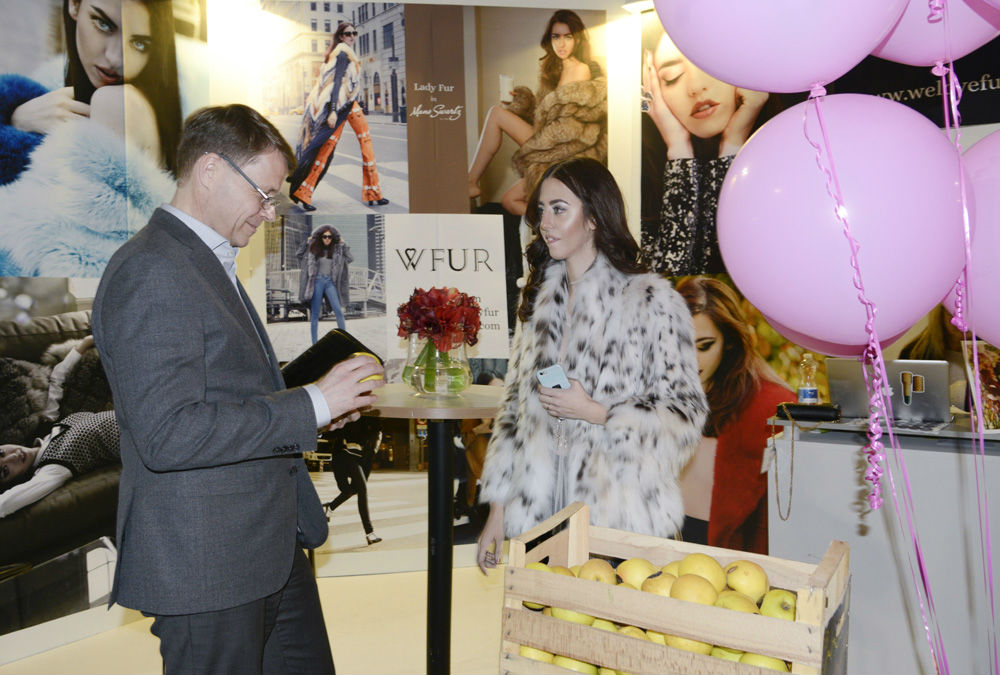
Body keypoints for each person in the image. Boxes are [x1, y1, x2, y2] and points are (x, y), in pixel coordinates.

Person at [91, 104, 384, 674]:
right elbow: (168, 433)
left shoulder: (200, 260)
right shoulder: (151, 269)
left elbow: (229, 392)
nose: (269, 212)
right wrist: (312, 403)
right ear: (209, 170)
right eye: (264, 193)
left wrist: (319, 409)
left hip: (267, 546)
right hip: (208, 565)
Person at [475, 157, 708, 572]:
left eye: (559, 209)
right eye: (541, 210)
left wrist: (596, 412)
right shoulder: (537, 304)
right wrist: (497, 511)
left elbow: (685, 415)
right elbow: (512, 414)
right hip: (539, 520)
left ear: (595, 217)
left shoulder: (651, 302)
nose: (545, 223)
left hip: (619, 522)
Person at [0, 0, 182, 277]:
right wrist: (17, 120)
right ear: (74, 5)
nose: (116, 58)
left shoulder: (114, 102)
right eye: (104, 25)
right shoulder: (53, 87)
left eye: (140, 43)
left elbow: (82, 259)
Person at [639, 16, 771, 276]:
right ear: (653, 90)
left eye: (708, 65)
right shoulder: (638, 176)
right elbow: (673, 274)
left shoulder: (792, 151)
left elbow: (738, 267)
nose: (697, 87)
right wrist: (678, 151)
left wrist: (734, 146)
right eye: (672, 77)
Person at [675, 276, 794, 553]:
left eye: (704, 345)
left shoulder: (768, 408)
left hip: (734, 560)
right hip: (658, 548)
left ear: (728, 342)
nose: (691, 359)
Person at [467, 9, 607, 216]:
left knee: (509, 200)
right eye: (556, 37)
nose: (561, 44)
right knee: (509, 200)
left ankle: (471, 181)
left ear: (577, 40)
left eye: (568, 37)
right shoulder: (553, 71)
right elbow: (543, 115)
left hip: (563, 151)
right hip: (548, 140)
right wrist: (519, 102)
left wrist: (540, 145)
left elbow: (570, 128)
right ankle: (471, 182)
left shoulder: (580, 69)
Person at [0, 336, 120, 519]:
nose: (13, 457)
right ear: (14, 481)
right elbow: (6, 503)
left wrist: (84, 344)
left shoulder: (49, 428)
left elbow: (57, 380)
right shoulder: (52, 468)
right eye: (5, 471)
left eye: (1, 453)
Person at [287, 22, 389, 211]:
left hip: (351, 104)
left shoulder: (348, 53)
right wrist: (333, 110)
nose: (352, 36)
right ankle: (304, 193)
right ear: (341, 36)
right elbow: (335, 84)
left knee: (366, 143)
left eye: (354, 33)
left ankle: (373, 192)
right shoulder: (342, 54)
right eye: (348, 34)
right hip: (341, 107)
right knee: (325, 149)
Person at [323, 418, 382, 545]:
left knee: (354, 490)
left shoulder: (371, 440)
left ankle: (330, 507)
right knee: (356, 490)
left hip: (352, 460)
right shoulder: (353, 421)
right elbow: (333, 433)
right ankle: (369, 532)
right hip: (343, 457)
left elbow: (369, 458)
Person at [899, 304, 969, 409]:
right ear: (941, 314)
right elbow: (904, 400)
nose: (960, 322)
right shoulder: (914, 352)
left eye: (967, 315)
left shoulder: (990, 352)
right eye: (952, 314)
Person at [454, 370, 503, 520]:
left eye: (503, 387)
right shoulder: (473, 413)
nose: (500, 393)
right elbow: (464, 440)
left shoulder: (512, 411)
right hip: (483, 484)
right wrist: (479, 429)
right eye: (494, 389)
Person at [301, 225, 352, 344]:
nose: (327, 239)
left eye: (330, 236)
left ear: (333, 238)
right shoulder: (314, 249)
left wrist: (344, 244)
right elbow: (299, 255)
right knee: (315, 314)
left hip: (329, 282)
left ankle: (344, 340)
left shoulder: (336, 251)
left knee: (338, 311)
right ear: (321, 237)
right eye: (325, 236)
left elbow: (350, 258)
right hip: (317, 282)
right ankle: (314, 343)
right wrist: (306, 243)